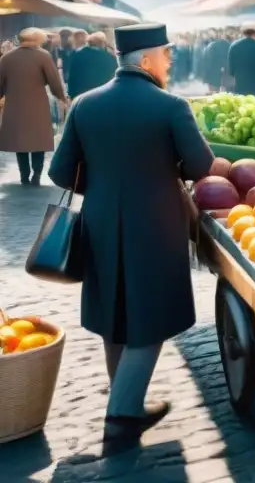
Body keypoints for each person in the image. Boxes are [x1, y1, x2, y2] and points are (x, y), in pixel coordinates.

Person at [48, 23, 214, 450]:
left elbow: (60, 172)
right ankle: (122, 415)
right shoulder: (171, 105)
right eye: (166, 53)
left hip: (100, 220)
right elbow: (200, 166)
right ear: (146, 59)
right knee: (151, 313)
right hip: (156, 223)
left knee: (114, 314)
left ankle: (129, 401)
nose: (170, 61)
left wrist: (107, 184)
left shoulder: (84, 104)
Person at [0, 27, 68, 185]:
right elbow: (54, 81)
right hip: (38, 104)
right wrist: (61, 97)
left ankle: (24, 174)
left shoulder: (7, 57)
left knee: (19, 140)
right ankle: (37, 173)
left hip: (14, 104)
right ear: (37, 39)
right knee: (39, 139)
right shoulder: (43, 56)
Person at [67, 32, 118, 99]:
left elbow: (72, 77)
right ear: (103, 43)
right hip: (102, 96)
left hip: (80, 96)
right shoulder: (110, 58)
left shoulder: (77, 55)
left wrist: (71, 95)